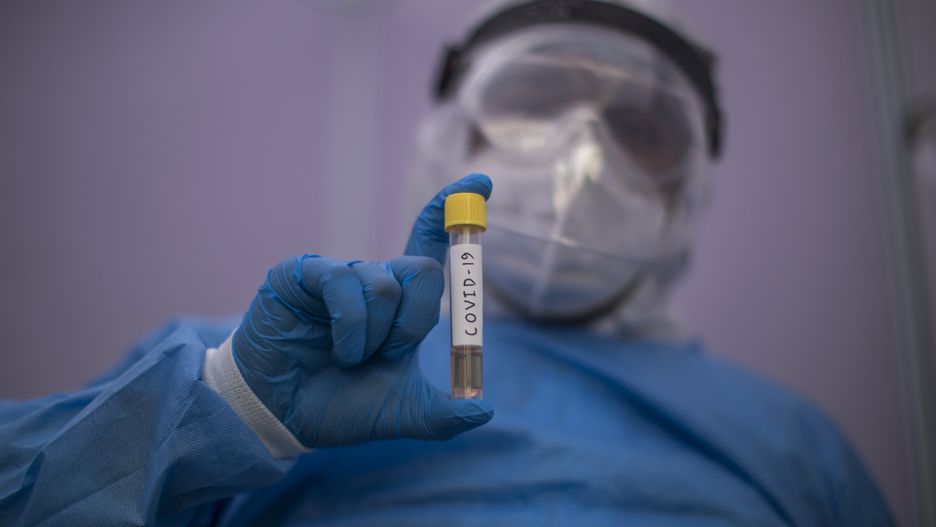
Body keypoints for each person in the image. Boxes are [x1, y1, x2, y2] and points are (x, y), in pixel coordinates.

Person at [0, 0, 894, 525]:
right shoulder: (241, 369)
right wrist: (229, 411)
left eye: (640, 129)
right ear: (446, 149)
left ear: (686, 195)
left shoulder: (795, 443)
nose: (582, 156)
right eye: (533, 104)